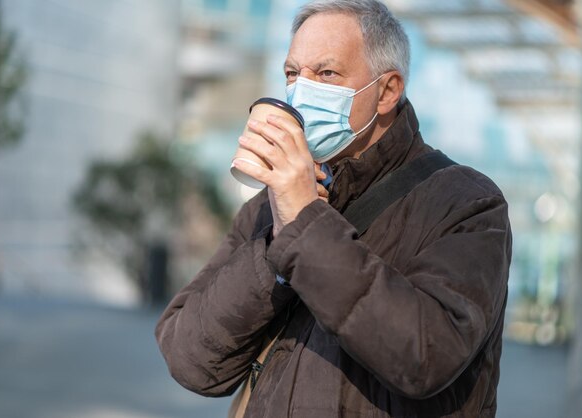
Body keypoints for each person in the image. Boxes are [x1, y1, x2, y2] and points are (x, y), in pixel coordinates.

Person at [155, 0, 512, 417]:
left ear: (387, 91)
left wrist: (305, 223)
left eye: (326, 73)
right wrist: (277, 243)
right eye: (292, 73)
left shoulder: (468, 203)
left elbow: (426, 357)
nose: (300, 90)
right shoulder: (267, 207)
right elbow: (190, 359)